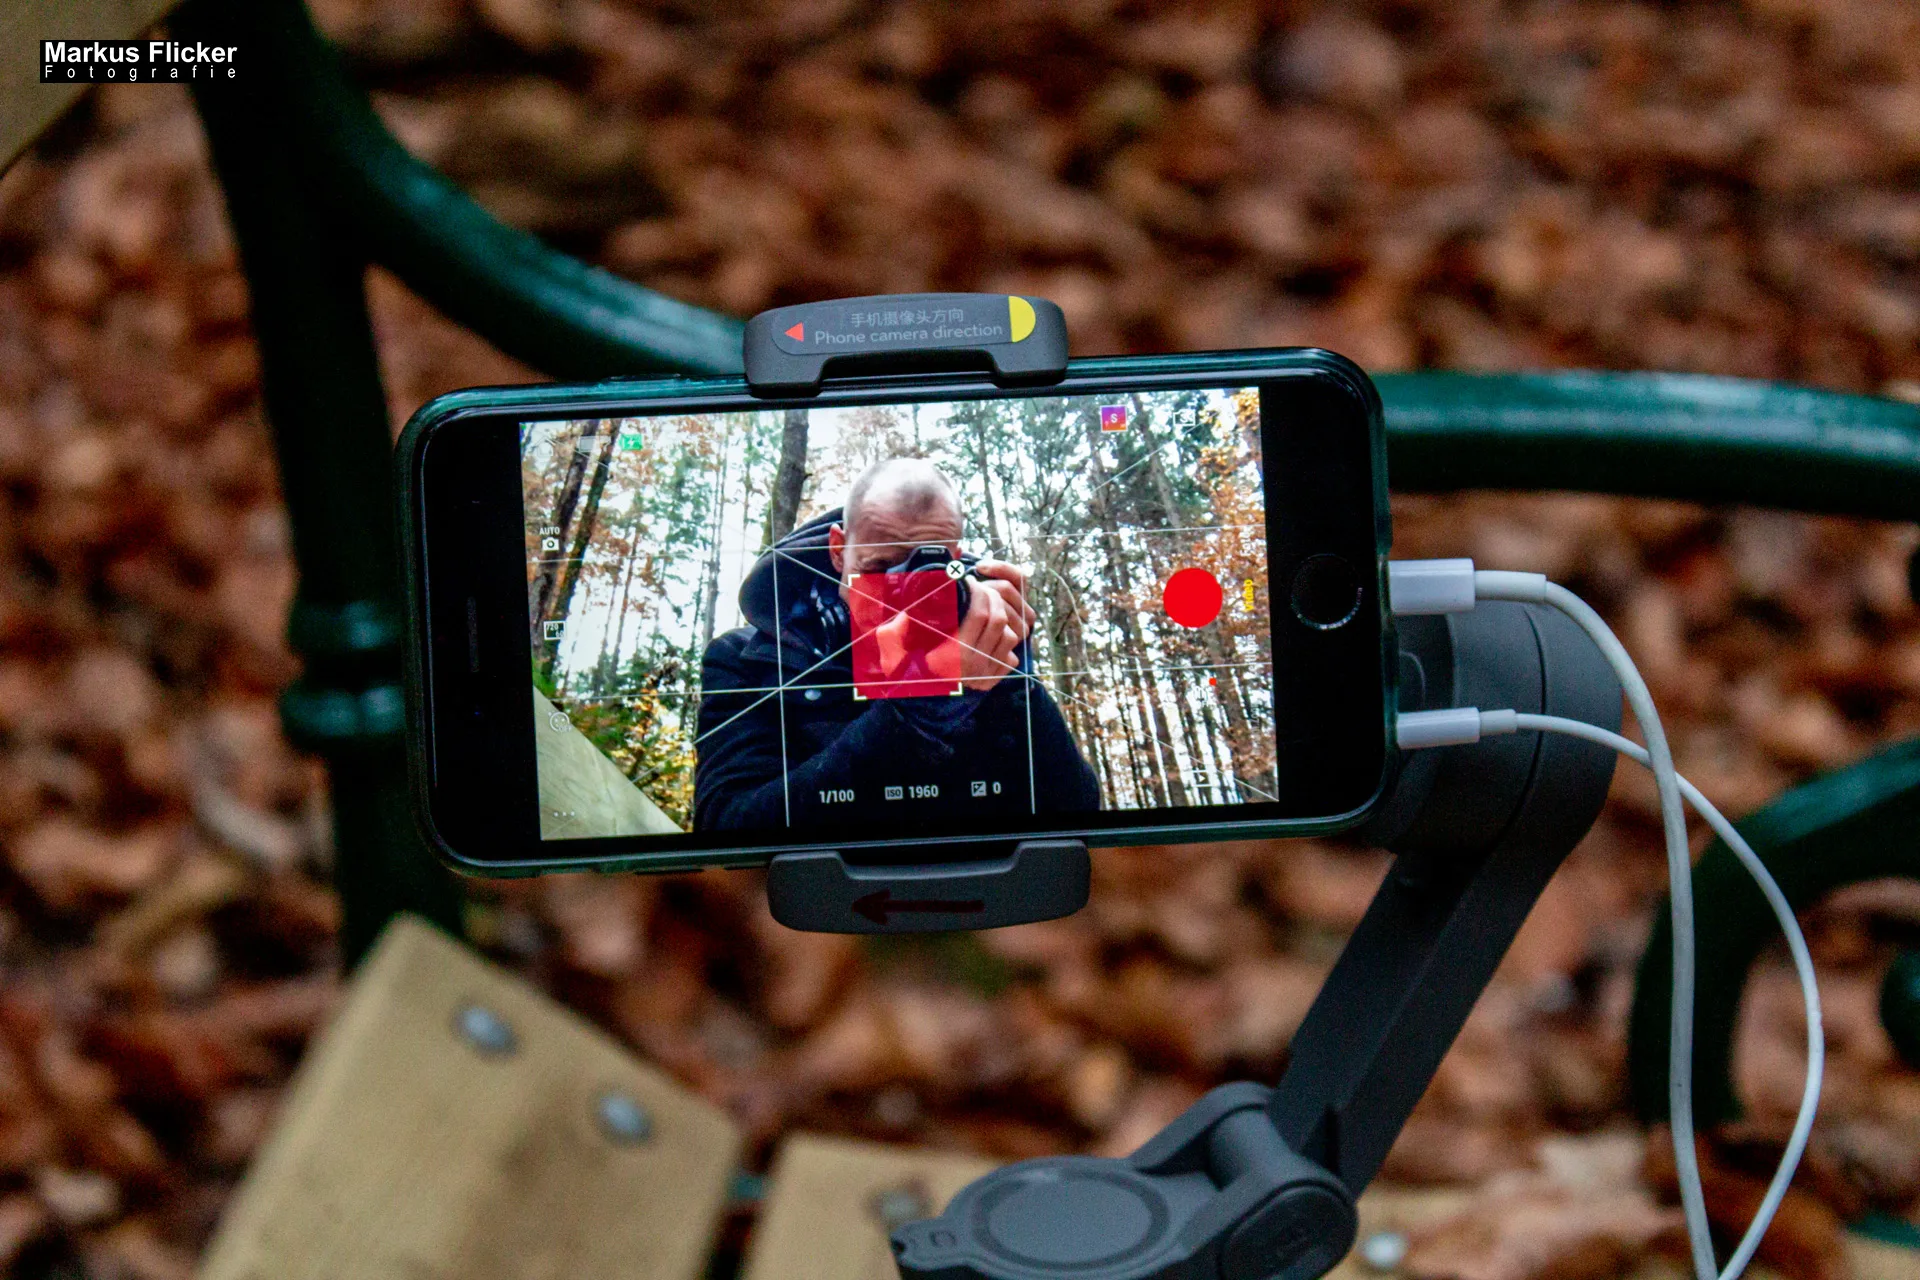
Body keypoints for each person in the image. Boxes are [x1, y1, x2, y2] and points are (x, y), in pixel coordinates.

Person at [694, 457, 1100, 833]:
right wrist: (920, 707)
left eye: (923, 570)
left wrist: (1013, 681)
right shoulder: (747, 659)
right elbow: (727, 828)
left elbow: (1075, 813)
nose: (902, 596)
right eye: (880, 568)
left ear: (954, 556)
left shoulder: (977, 644)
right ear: (839, 550)